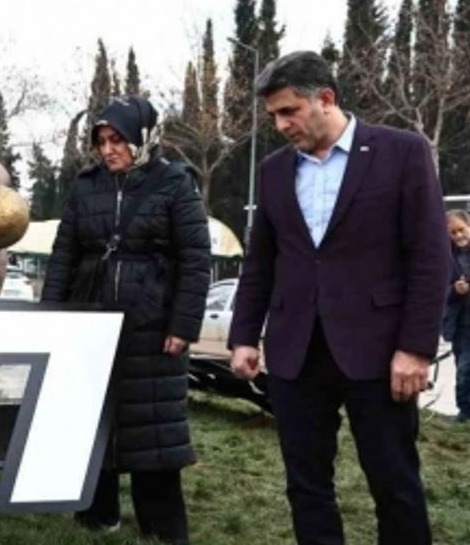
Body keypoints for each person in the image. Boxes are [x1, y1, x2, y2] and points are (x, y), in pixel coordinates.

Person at [228, 51, 447, 545]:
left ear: (325, 99)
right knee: (306, 488)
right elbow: (261, 262)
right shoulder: (273, 170)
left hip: (380, 353)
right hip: (296, 353)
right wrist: (244, 335)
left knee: (395, 485)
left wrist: (415, 348)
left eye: (289, 111)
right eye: (274, 116)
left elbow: (430, 258)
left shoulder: (403, 152)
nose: (281, 125)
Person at [42, 96, 210, 545]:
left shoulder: (176, 185)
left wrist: (183, 325)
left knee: (153, 426)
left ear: (143, 138)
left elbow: (195, 260)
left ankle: (161, 526)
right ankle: (97, 516)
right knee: (94, 420)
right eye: (101, 140)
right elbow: (64, 256)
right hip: (90, 321)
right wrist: (51, 319)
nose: (108, 149)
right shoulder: (85, 186)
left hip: (151, 324)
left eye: (117, 139)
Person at [444, 209, 470, 422]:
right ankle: (465, 410)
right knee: (463, 369)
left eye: (461, 230)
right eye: (453, 233)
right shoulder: (445, 259)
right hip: (460, 325)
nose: (459, 235)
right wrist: (455, 290)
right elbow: (439, 292)